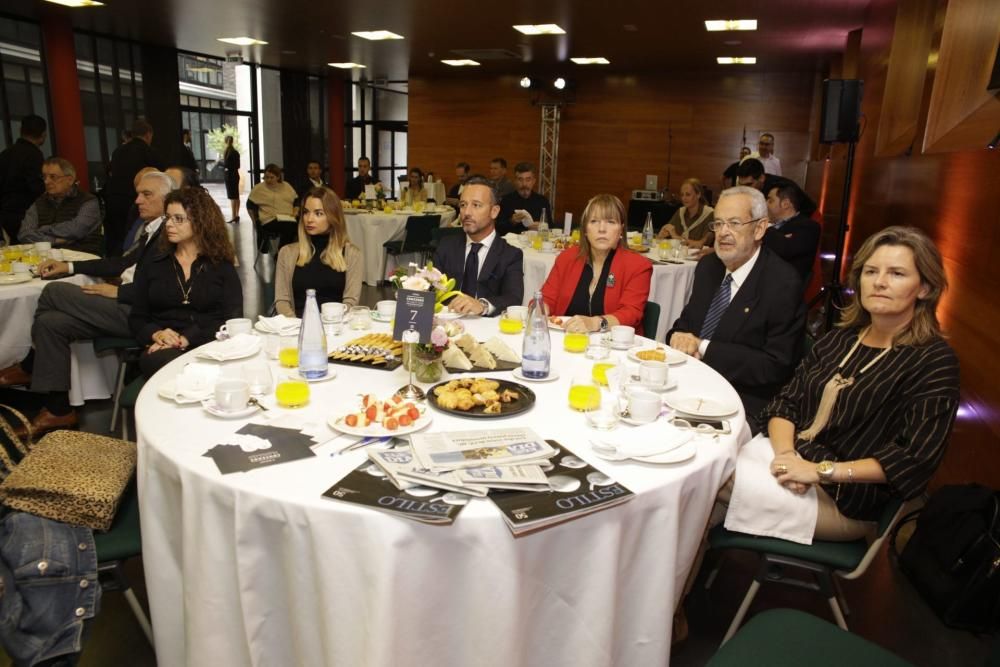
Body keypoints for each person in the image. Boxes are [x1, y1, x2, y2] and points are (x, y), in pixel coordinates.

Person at [722, 226, 959, 542]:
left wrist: (820, 471)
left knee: (707, 482)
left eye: (897, 273)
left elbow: (913, 458)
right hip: (788, 461)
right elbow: (785, 403)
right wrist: (788, 457)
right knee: (704, 470)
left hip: (846, 500)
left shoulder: (933, 361)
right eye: (870, 271)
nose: (879, 282)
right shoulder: (840, 339)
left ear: (925, 288)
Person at [0, 171, 175, 434]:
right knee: (51, 322)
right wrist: (69, 266)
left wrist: (120, 293)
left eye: (146, 194)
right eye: (137, 193)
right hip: (129, 303)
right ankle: (59, 410)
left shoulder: (172, 230)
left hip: (146, 318)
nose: (138, 200)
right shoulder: (152, 229)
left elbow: (169, 286)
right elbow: (119, 263)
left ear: (168, 199)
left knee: (52, 293)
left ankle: (29, 365)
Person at [667, 186, 805, 432]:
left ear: (760, 228)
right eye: (718, 224)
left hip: (744, 400)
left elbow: (774, 366)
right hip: (690, 386)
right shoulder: (708, 267)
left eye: (733, 223)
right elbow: (684, 328)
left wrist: (702, 346)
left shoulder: (782, 283)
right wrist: (677, 337)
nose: (723, 233)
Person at [130, 187, 241, 378]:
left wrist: (187, 338)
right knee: (171, 364)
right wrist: (158, 335)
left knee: (200, 369)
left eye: (178, 219)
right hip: (162, 349)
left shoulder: (221, 266)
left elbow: (232, 319)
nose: (169, 225)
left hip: (209, 345)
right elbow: (137, 318)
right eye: (168, 218)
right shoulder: (155, 263)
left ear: (200, 222)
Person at [541, 194, 652, 334]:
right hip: (566, 340)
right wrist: (540, 309)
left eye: (611, 222)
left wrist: (595, 323)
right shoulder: (567, 258)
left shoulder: (637, 266)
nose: (602, 229)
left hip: (614, 347)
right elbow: (545, 298)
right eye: (594, 221)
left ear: (621, 231)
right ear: (585, 230)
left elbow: (631, 313)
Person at [432, 176, 523, 316]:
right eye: (463, 205)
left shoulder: (510, 254)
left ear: (494, 211)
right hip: (447, 324)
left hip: (487, 331)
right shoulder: (446, 246)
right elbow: (432, 289)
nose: (467, 212)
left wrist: (482, 305)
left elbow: (513, 298)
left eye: (476, 205)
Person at [274, 187, 361, 317]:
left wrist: (328, 323)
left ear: (333, 217)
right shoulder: (287, 253)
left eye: (318, 213)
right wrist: (299, 326)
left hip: (335, 327)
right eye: (306, 212)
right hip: (295, 329)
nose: (309, 219)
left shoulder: (352, 254)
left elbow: (351, 302)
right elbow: (282, 300)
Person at [103, 118, 164, 257]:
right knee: (134, 239)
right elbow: (160, 177)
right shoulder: (149, 152)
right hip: (133, 202)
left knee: (116, 240)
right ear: (148, 135)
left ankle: (114, 266)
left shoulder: (118, 151)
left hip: (113, 200)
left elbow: (108, 171)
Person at [17, 157, 102, 254]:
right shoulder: (39, 202)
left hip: (82, 258)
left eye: (53, 177)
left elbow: (76, 229)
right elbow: (24, 233)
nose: (46, 181)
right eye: (44, 177)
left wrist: (44, 229)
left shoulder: (89, 201)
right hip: (45, 259)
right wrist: (54, 241)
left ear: (70, 180)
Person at [0, 114, 47, 243]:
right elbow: (37, 188)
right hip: (25, 216)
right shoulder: (34, 155)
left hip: (4, 215)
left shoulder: (5, 153)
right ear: (43, 135)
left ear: (21, 131)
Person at [764, 178, 821, 281]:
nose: (765, 204)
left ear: (785, 204)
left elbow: (784, 249)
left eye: (770, 200)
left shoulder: (808, 226)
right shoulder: (771, 227)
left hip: (782, 286)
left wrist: (766, 228)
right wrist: (779, 237)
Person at [248, 163, 299, 249]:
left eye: (272, 177)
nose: (268, 180)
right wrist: (255, 221)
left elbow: (296, 200)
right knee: (290, 227)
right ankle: (281, 253)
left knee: (300, 225)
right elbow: (249, 205)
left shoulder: (286, 186)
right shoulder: (259, 188)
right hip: (270, 219)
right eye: (266, 177)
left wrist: (295, 211)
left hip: (288, 217)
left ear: (278, 177)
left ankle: (292, 253)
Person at [497, 162, 552, 236]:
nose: (524, 184)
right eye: (520, 179)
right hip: (513, 244)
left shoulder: (542, 201)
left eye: (528, 179)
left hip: (536, 242)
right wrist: (512, 221)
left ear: (533, 181)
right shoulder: (506, 200)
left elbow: (551, 227)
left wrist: (543, 226)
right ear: (515, 181)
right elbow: (498, 229)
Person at [657, 178, 714, 248]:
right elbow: (668, 234)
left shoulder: (709, 214)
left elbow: (700, 244)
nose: (684, 198)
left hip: (698, 257)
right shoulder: (680, 212)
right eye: (682, 195)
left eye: (688, 194)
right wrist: (662, 235)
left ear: (698, 195)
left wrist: (676, 237)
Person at [222, 135, 240, 223]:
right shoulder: (235, 152)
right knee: (236, 195)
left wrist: (222, 163)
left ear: (226, 142)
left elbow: (226, 165)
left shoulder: (227, 152)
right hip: (235, 175)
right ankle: (236, 215)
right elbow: (238, 165)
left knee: (232, 196)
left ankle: (233, 216)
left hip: (229, 175)